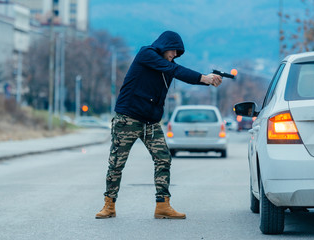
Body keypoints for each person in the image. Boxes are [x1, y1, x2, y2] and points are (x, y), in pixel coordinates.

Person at [95, 30, 222, 219]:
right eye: (172, 51)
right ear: (163, 46)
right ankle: (109, 205)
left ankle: (163, 205)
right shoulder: (146, 54)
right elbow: (175, 70)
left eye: (177, 53)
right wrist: (204, 78)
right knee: (116, 163)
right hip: (128, 118)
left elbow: (179, 72)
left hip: (151, 122)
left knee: (163, 159)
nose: (174, 55)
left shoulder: (168, 65)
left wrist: (207, 80)